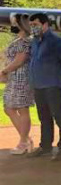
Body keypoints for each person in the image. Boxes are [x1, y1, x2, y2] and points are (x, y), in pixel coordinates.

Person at [26, 13, 61, 160]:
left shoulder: (55, 41)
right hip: (38, 84)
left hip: (53, 83)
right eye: (31, 25)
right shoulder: (34, 41)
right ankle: (45, 146)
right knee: (44, 117)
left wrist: (59, 76)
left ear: (45, 24)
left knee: (59, 115)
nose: (33, 28)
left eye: (35, 25)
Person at [1, 15, 34, 155]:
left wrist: (4, 70)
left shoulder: (24, 42)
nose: (12, 25)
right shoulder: (20, 40)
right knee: (9, 108)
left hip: (21, 77)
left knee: (22, 108)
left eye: (14, 22)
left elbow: (20, 60)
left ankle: (24, 142)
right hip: (14, 77)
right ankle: (26, 139)